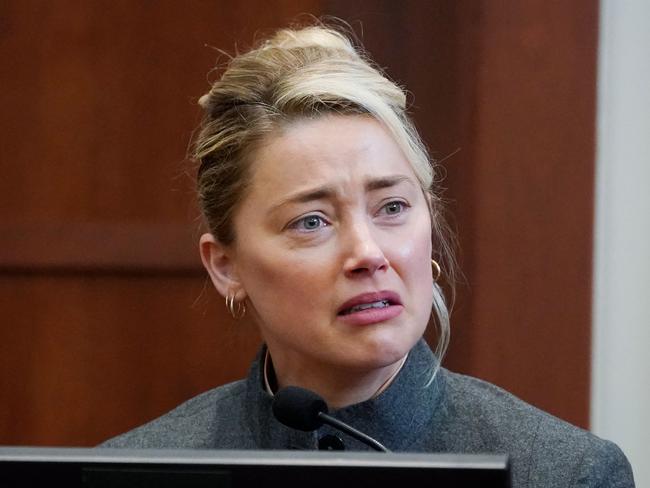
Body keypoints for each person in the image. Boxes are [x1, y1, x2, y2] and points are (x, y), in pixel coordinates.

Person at [101, 23, 635, 487]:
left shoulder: (564, 472)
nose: (367, 252)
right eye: (311, 221)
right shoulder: (131, 471)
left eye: (392, 206)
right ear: (226, 266)